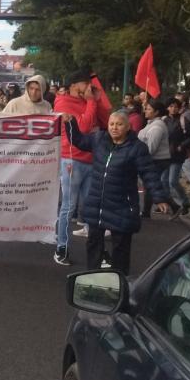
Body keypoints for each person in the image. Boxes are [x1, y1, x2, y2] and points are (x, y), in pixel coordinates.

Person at [61, 110, 169, 274]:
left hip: (122, 206)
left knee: (121, 248)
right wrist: (70, 123)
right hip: (97, 204)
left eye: (119, 124)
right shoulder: (99, 139)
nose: (114, 128)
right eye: (112, 124)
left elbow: (149, 173)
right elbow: (79, 140)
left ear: (128, 127)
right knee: (93, 244)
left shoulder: (137, 148)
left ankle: (119, 281)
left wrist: (159, 197)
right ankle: (92, 277)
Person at [52, 69, 112, 265]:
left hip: (90, 158)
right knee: (69, 206)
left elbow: (104, 121)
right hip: (72, 158)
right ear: (73, 85)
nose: (88, 87)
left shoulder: (87, 102)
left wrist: (96, 99)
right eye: (84, 83)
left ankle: (98, 253)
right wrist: (91, 103)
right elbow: (85, 128)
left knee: (91, 207)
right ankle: (62, 247)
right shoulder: (63, 102)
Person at [138, 100, 174, 218]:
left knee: (151, 185)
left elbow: (151, 148)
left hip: (157, 160)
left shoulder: (157, 127)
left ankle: (175, 206)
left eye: (148, 109)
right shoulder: (151, 123)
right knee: (150, 185)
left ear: (156, 112)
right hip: (154, 160)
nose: (145, 111)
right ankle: (147, 212)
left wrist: (140, 157)